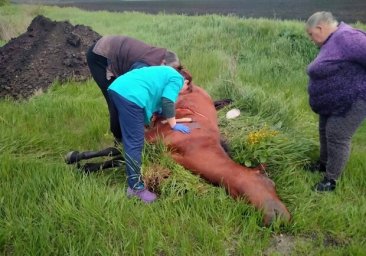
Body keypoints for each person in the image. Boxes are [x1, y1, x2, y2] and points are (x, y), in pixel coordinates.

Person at [107, 65, 192, 202]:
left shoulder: (166, 72)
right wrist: (174, 124)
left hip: (117, 88)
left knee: (127, 137)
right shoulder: (178, 79)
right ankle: (136, 188)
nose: (179, 93)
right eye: (183, 91)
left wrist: (159, 113)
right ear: (186, 82)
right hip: (131, 96)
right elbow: (167, 101)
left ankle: (130, 175)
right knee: (135, 143)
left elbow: (156, 97)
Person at [305, 11, 366, 191]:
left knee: (337, 136)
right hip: (333, 102)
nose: (310, 38)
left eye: (310, 34)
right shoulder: (333, 40)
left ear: (320, 27)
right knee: (325, 131)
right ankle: (323, 164)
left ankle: (331, 180)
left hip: (352, 100)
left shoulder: (348, 37)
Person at [86, 35, 181, 143]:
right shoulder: (145, 65)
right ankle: (119, 137)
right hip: (99, 55)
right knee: (115, 96)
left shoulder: (158, 58)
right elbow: (135, 91)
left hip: (115, 49)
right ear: (163, 62)